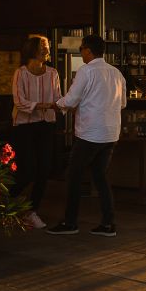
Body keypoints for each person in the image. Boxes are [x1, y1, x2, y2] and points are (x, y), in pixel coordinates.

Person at [47, 34, 126, 236]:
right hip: (110, 134)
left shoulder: (87, 70)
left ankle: (70, 223)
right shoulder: (116, 73)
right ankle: (108, 224)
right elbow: (123, 103)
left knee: (73, 176)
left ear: (88, 51)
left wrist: (56, 105)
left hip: (90, 134)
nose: (81, 52)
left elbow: (71, 99)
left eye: (82, 48)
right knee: (100, 177)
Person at [10, 35, 61, 229]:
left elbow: (58, 98)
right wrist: (45, 105)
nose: (48, 49)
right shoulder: (20, 73)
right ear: (33, 49)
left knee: (44, 170)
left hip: (46, 124)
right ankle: (7, 198)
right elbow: (19, 102)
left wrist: (65, 104)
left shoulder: (53, 73)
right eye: (44, 46)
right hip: (24, 126)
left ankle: (32, 212)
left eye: (47, 46)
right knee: (28, 170)